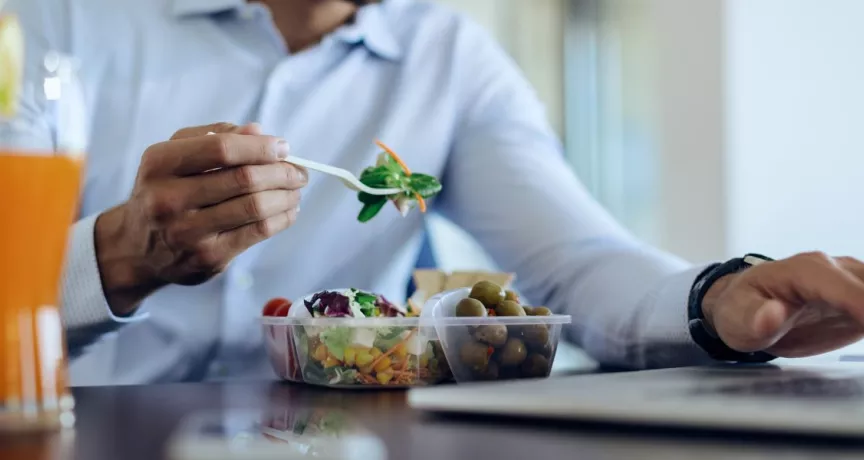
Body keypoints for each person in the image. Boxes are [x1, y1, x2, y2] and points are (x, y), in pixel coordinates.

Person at [8, 0, 864, 385]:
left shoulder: (449, 57)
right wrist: (117, 258)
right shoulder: (56, 19)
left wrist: (716, 297)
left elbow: (578, 262)